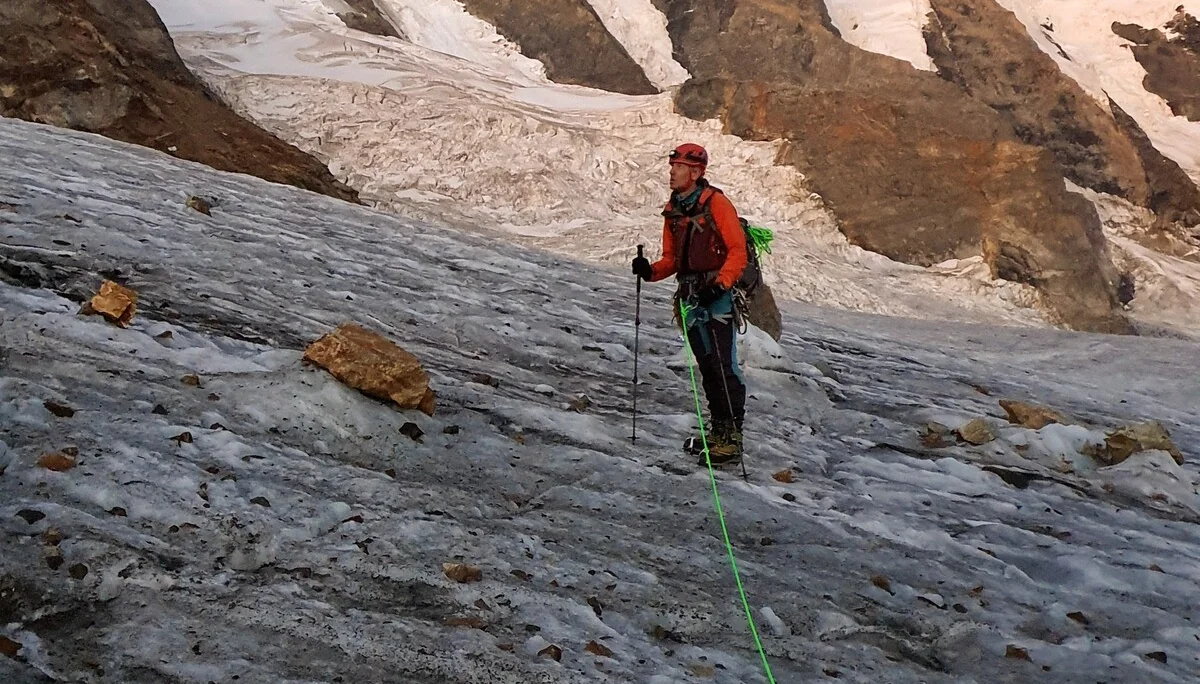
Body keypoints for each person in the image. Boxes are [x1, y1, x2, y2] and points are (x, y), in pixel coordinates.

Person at [632, 143, 748, 465]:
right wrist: (650, 271)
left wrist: (720, 285)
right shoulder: (674, 209)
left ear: (695, 172)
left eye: (678, 167)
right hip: (691, 298)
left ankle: (732, 439)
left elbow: (737, 251)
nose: (672, 172)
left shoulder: (717, 204)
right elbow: (672, 258)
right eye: (673, 166)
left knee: (723, 367)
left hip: (716, 299)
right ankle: (719, 433)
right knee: (708, 367)